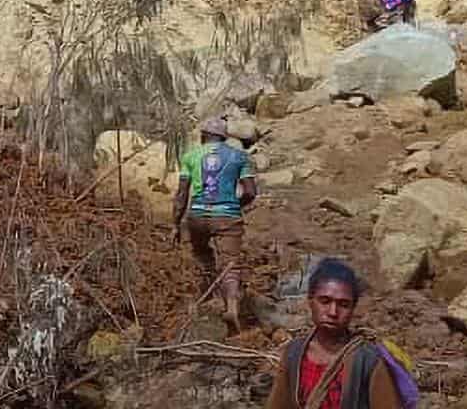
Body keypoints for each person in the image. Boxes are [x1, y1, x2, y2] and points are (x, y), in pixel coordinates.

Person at [266, 259, 417, 409]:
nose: (333, 312)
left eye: (343, 305)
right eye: (325, 301)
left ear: (353, 308)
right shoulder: (294, 354)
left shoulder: (367, 361)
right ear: (310, 301)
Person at [173, 117, 257, 333]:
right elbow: (250, 192)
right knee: (230, 263)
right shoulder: (240, 156)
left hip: (197, 216)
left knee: (201, 253)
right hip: (227, 215)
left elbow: (182, 194)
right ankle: (231, 306)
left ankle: (207, 296)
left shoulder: (191, 156)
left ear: (203, 136)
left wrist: (176, 223)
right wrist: (235, 205)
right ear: (225, 137)